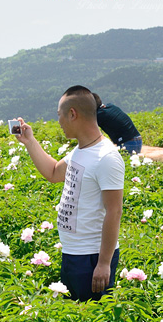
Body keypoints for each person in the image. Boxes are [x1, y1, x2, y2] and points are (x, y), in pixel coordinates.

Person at [13, 85, 125, 302]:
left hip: (91, 258)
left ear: (72, 114)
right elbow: (54, 172)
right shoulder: (80, 151)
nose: (59, 122)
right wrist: (29, 141)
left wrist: (103, 264)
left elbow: (115, 210)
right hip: (73, 253)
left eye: (59, 116)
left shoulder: (106, 157)